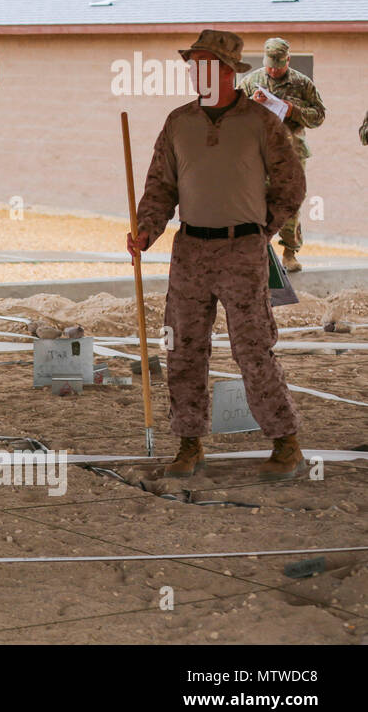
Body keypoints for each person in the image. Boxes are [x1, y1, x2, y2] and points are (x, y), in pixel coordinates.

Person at [128, 30, 307, 481]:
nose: (197, 73)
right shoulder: (178, 122)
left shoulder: (261, 121)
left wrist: (261, 230)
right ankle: (190, 445)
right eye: (193, 65)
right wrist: (146, 229)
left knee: (254, 349)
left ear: (230, 73)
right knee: (183, 348)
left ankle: (286, 444)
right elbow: (159, 186)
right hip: (189, 249)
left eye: (207, 65)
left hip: (243, 250)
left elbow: (291, 184)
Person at [238, 37, 325, 272]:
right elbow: (232, 112)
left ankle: (290, 251)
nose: (273, 70)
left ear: (288, 59)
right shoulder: (252, 81)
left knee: (290, 202)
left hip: (292, 152)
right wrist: (249, 104)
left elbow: (319, 115)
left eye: (278, 65)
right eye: (270, 65)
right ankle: (259, 249)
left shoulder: (302, 83)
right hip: (259, 153)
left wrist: (291, 109)